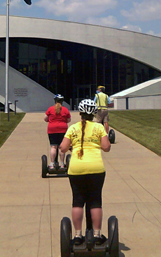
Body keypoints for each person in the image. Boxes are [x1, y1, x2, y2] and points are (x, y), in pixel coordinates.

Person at [60, 98, 111, 245]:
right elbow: (106, 147)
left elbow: (63, 148)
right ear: (94, 113)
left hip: (76, 168)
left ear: (80, 113)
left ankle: (77, 235)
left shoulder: (72, 128)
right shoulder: (99, 127)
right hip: (96, 168)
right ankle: (96, 234)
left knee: (77, 201)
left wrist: (73, 148)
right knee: (95, 201)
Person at [44, 94, 71, 170]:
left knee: (53, 146)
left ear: (55, 101)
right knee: (61, 147)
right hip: (63, 129)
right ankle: (62, 164)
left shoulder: (50, 109)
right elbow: (69, 120)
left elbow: (45, 119)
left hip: (52, 129)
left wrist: (51, 120)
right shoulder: (65, 110)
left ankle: (52, 164)